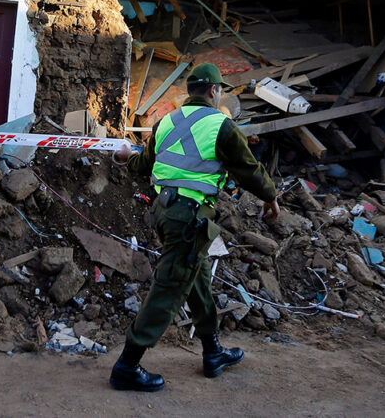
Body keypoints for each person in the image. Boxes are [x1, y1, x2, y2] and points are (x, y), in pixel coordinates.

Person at [109, 63, 281, 391]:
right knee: (170, 286)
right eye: (221, 91)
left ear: (190, 91)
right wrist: (270, 197)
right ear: (215, 91)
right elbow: (248, 170)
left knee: (197, 277)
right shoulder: (222, 126)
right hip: (188, 215)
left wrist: (122, 157)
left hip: (164, 211)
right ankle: (127, 366)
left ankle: (212, 351)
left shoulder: (164, 123)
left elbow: (143, 165)